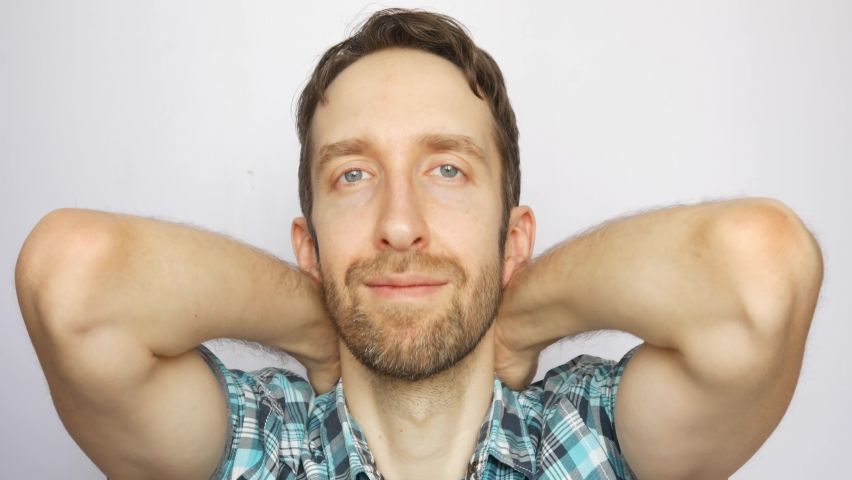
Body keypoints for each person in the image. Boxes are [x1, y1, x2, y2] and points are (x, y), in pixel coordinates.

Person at [15, 8, 823, 480]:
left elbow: (761, 268)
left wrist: (520, 319)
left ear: (516, 240)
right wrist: (312, 327)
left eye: (446, 168)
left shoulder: (589, 438)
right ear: (308, 247)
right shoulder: (259, 446)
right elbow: (70, 279)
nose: (400, 225)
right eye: (354, 176)